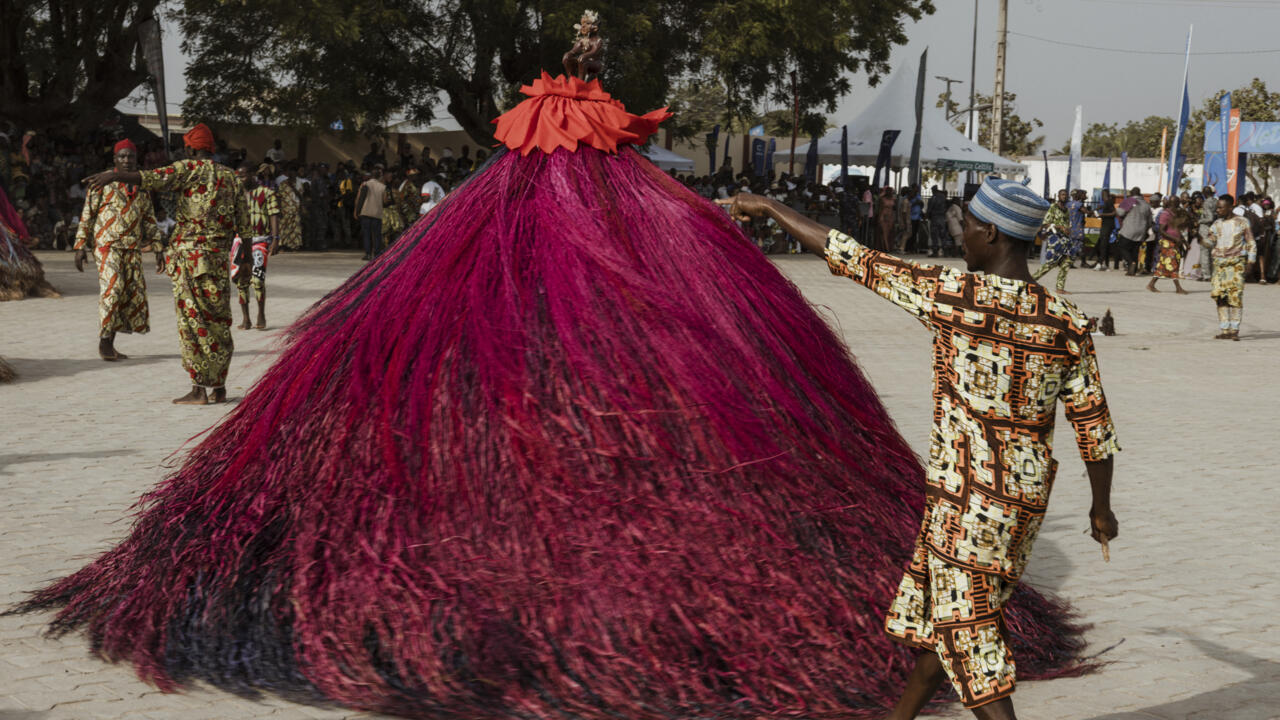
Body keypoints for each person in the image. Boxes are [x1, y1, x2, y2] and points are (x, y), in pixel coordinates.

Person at [724, 177, 1119, 719]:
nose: (963, 238)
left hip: (972, 498)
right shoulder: (1067, 321)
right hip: (1019, 499)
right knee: (948, 615)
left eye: (970, 229)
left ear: (995, 234)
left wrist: (769, 205)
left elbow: (854, 257)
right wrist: (1102, 507)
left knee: (965, 628)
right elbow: (1093, 426)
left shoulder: (956, 296)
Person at [84, 123, 251, 404]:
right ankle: (219, 387)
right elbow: (244, 223)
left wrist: (114, 175)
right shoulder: (231, 177)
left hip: (189, 259)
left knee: (193, 323)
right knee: (219, 320)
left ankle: (199, 389)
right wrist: (244, 257)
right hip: (218, 260)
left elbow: (150, 178)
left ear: (189, 148)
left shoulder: (187, 168)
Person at [73, 139, 163, 361]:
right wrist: (80, 246)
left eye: (130, 156)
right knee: (113, 290)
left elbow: (149, 219)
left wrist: (158, 247)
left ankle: (110, 344)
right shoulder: (101, 182)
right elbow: (88, 214)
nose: (126, 160)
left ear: (136, 159)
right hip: (107, 244)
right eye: (122, 156)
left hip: (132, 247)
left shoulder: (141, 184)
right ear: (115, 159)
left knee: (126, 295)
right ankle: (104, 343)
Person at [1204, 194, 1258, 340]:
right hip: (1219, 265)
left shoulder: (1242, 222)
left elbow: (1251, 242)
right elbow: (1211, 241)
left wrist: (1251, 263)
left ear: (1230, 207)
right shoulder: (1216, 224)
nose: (1218, 210)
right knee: (1219, 296)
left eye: (1221, 208)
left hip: (1236, 264)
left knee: (1235, 297)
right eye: (1217, 208)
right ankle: (1224, 329)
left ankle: (1235, 330)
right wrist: (1202, 240)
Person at [235, 163, 280, 330]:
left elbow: (274, 215)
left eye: (244, 175)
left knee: (258, 280)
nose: (241, 179)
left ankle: (261, 314)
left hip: (259, 239)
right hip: (239, 241)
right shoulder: (236, 195)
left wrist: (275, 239)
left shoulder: (267, 193)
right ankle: (246, 319)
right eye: (239, 176)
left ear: (253, 174)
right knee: (241, 280)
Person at [1033, 189, 1074, 292]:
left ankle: (1060, 288)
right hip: (1055, 239)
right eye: (1062, 195)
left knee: (1066, 262)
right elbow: (1045, 223)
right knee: (1050, 264)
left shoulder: (1066, 210)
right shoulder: (1053, 207)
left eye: (1066, 195)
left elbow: (1068, 224)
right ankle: (1031, 280)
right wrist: (1059, 227)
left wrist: (1068, 230)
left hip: (1065, 240)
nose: (1064, 196)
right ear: (1059, 196)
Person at [1148, 196, 1188, 294]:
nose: (1179, 204)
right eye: (1177, 202)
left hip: (1175, 243)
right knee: (1172, 263)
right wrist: (1174, 239)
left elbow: (1177, 230)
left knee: (1163, 265)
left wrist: (1184, 242)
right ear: (1172, 203)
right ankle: (1178, 288)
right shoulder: (1165, 214)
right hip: (1167, 243)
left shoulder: (1175, 214)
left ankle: (1151, 284)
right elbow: (1161, 230)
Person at [1115, 187, 1151, 276]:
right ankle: (1133, 271)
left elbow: (1120, 213)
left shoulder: (1129, 201)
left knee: (1122, 246)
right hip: (1141, 230)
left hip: (1129, 229)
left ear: (1131, 193)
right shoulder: (1146, 204)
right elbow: (1149, 220)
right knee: (1135, 250)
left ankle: (1131, 263)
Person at [354, 165, 386, 260]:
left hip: (366, 213)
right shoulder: (383, 187)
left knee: (366, 234)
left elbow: (360, 199)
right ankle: (377, 254)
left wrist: (357, 211)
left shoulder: (365, 184)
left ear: (371, 175)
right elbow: (385, 200)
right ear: (379, 176)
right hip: (377, 214)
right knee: (376, 235)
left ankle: (368, 254)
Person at [275, 162, 303, 251]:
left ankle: (294, 246)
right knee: (283, 228)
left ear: (296, 174)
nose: (292, 174)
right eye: (291, 172)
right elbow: (278, 196)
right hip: (284, 209)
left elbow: (301, 196)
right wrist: (279, 209)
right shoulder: (283, 183)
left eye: (294, 173)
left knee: (295, 228)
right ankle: (283, 245)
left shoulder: (299, 183)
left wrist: (293, 187)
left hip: (295, 209)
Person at [1095, 190, 1117, 271]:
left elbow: (1114, 213)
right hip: (1106, 225)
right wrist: (1101, 207)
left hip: (1107, 226)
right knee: (1102, 244)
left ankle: (1100, 263)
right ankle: (1104, 263)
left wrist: (1102, 214)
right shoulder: (1107, 203)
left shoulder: (1109, 202)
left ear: (1104, 195)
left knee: (1103, 245)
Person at [926, 185, 949, 257]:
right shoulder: (943, 197)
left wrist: (928, 216)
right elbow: (947, 205)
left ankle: (935, 252)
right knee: (943, 235)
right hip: (942, 218)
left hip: (934, 218)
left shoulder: (932, 198)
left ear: (933, 191)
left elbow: (929, 209)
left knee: (934, 235)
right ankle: (945, 251)